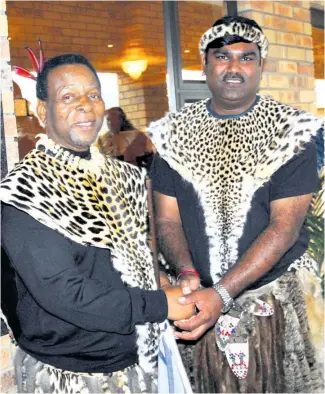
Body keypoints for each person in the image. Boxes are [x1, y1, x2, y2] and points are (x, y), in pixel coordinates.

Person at [149, 15, 324, 393]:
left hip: (273, 303)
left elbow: (284, 228)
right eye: (223, 56)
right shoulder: (172, 134)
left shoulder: (290, 133)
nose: (234, 67)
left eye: (247, 58)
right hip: (195, 303)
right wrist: (186, 272)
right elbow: (166, 221)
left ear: (261, 66)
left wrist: (223, 293)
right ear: (204, 64)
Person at [0, 54, 194, 393]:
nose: (86, 106)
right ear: (42, 111)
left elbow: (134, 256)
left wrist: (162, 280)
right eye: (69, 97)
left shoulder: (123, 176)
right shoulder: (25, 191)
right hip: (71, 376)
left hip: (139, 358)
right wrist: (163, 304)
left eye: (93, 94)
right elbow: (65, 294)